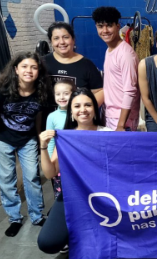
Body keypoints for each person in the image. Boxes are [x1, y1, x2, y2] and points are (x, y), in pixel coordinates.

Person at [38, 88, 112, 254]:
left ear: (95, 108)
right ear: (71, 112)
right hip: (73, 195)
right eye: (77, 106)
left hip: (104, 195)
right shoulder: (65, 138)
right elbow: (50, 173)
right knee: (47, 242)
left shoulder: (108, 134)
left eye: (88, 105)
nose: (83, 110)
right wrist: (43, 146)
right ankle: (73, 235)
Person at [0, 52, 51, 237]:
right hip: (4, 138)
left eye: (34, 67)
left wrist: (38, 136)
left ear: (39, 71)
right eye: (24, 66)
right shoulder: (4, 88)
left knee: (32, 177)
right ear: (16, 69)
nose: (29, 70)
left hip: (27, 139)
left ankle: (37, 216)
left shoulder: (42, 91)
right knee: (6, 179)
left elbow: (38, 115)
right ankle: (14, 218)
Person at [92, 6, 140, 131]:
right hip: (111, 115)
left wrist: (121, 125)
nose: (105, 30)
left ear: (118, 26)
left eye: (109, 25)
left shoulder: (125, 54)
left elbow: (130, 91)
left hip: (122, 119)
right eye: (100, 26)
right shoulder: (109, 50)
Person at [44, 22, 103, 104]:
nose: (62, 42)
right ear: (51, 42)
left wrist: (86, 110)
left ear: (73, 39)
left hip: (77, 115)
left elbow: (99, 91)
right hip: (48, 115)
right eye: (56, 38)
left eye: (66, 37)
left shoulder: (86, 65)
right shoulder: (43, 62)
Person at [46, 79, 75, 199]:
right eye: (58, 94)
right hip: (59, 162)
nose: (61, 97)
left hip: (75, 161)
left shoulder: (78, 112)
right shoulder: (52, 117)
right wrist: (50, 163)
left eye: (66, 93)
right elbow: (50, 141)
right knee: (61, 195)